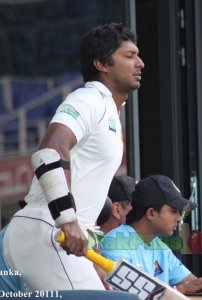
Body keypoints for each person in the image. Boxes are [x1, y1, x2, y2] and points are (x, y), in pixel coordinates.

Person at [3, 23, 144, 292]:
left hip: (51, 235)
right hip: (48, 232)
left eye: (137, 55)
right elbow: (49, 152)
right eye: (129, 56)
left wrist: (92, 261)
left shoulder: (109, 110)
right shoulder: (89, 98)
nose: (140, 63)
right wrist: (68, 219)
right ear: (102, 64)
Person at [100, 175, 202, 295]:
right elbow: (127, 298)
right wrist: (180, 290)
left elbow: (194, 284)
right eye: (174, 211)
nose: (178, 218)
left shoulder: (159, 246)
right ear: (151, 213)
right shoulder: (115, 243)